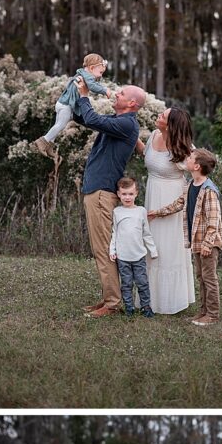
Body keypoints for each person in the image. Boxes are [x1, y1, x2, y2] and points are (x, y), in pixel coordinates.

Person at [73, 77, 144, 319]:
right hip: (97, 190)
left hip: (102, 194)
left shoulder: (127, 124)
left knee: (104, 249)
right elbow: (84, 118)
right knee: (100, 248)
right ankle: (108, 297)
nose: (116, 94)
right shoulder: (118, 120)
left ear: (132, 103)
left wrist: (85, 96)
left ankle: (112, 303)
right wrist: (74, 96)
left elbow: (92, 118)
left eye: (121, 93)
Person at [147, 148, 222, 326]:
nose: (186, 158)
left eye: (190, 157)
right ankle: (203, 311)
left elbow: (214, 220)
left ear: (196, 166)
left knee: (209, 278)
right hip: (197, 242)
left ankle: (212, 314)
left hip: (208, 243)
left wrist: (208, 243)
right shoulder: (191, 185)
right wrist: (157, 212)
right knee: (201, 276)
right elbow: (178, 204)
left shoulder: (208, 190)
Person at [138, 106, 197, 314]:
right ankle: (149, 298)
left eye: (163, 115)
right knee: (151, 244)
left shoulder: (184, 149)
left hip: (172, 199)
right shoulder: (154, 135)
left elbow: (198, 174)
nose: (159, 115)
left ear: (171, 124)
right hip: (152, 194)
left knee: (168, 249)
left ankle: (171, 300)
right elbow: (146, 155)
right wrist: (128, 135)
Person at [32, 53, 112, 160]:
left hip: (62, 103)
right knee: (60, 125)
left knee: (58, 125)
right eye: (100, 72)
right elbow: (93, 86)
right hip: (66, 105)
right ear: (92, 68)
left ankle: (49, 145)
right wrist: (105, 90)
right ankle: (43, 141)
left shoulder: (82, 74)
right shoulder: (87, 76)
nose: (101, 75)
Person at [109, 176, 157, 317]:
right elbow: (114, 233)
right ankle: (129, 308)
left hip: (139, 255)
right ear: (119, 194)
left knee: (142, 283)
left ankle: (146, 307)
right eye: (124, 194)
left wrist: (152, 250)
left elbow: (146, 233)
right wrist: (113, 250)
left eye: (130, 194)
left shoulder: (141, 211)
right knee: (126, 284)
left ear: (136, 193)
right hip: (123, 257)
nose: (127, 197)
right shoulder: (117, 212)